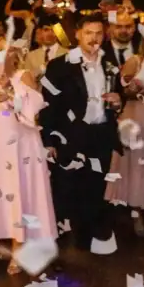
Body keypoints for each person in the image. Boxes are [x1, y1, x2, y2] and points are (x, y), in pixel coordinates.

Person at [0, 46, 57, 273]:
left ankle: (18, 250)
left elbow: (34, 111)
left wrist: (9, 95)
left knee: (18, 191)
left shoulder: (23, 76)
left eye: (6, 52)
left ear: (14, 56)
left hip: (20, 148)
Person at [40, 14, 124, 251]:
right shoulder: (60, 65)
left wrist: (119, 101)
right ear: (77, 34)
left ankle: (87, 240)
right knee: (66, 187)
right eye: (88, 33)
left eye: (98, 33)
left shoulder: (110, 63)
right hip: (71, 134)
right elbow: (48, 105)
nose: (94, 38)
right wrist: (49, 140)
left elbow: (119, 95)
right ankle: (61, 242)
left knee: (95, 187)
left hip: (101, 134)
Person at [104, 12, 144, 234]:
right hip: (137, 116)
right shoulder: (135, 60)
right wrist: (143, 90)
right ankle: (137, 214)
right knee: (137, 166)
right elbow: (124, 90)